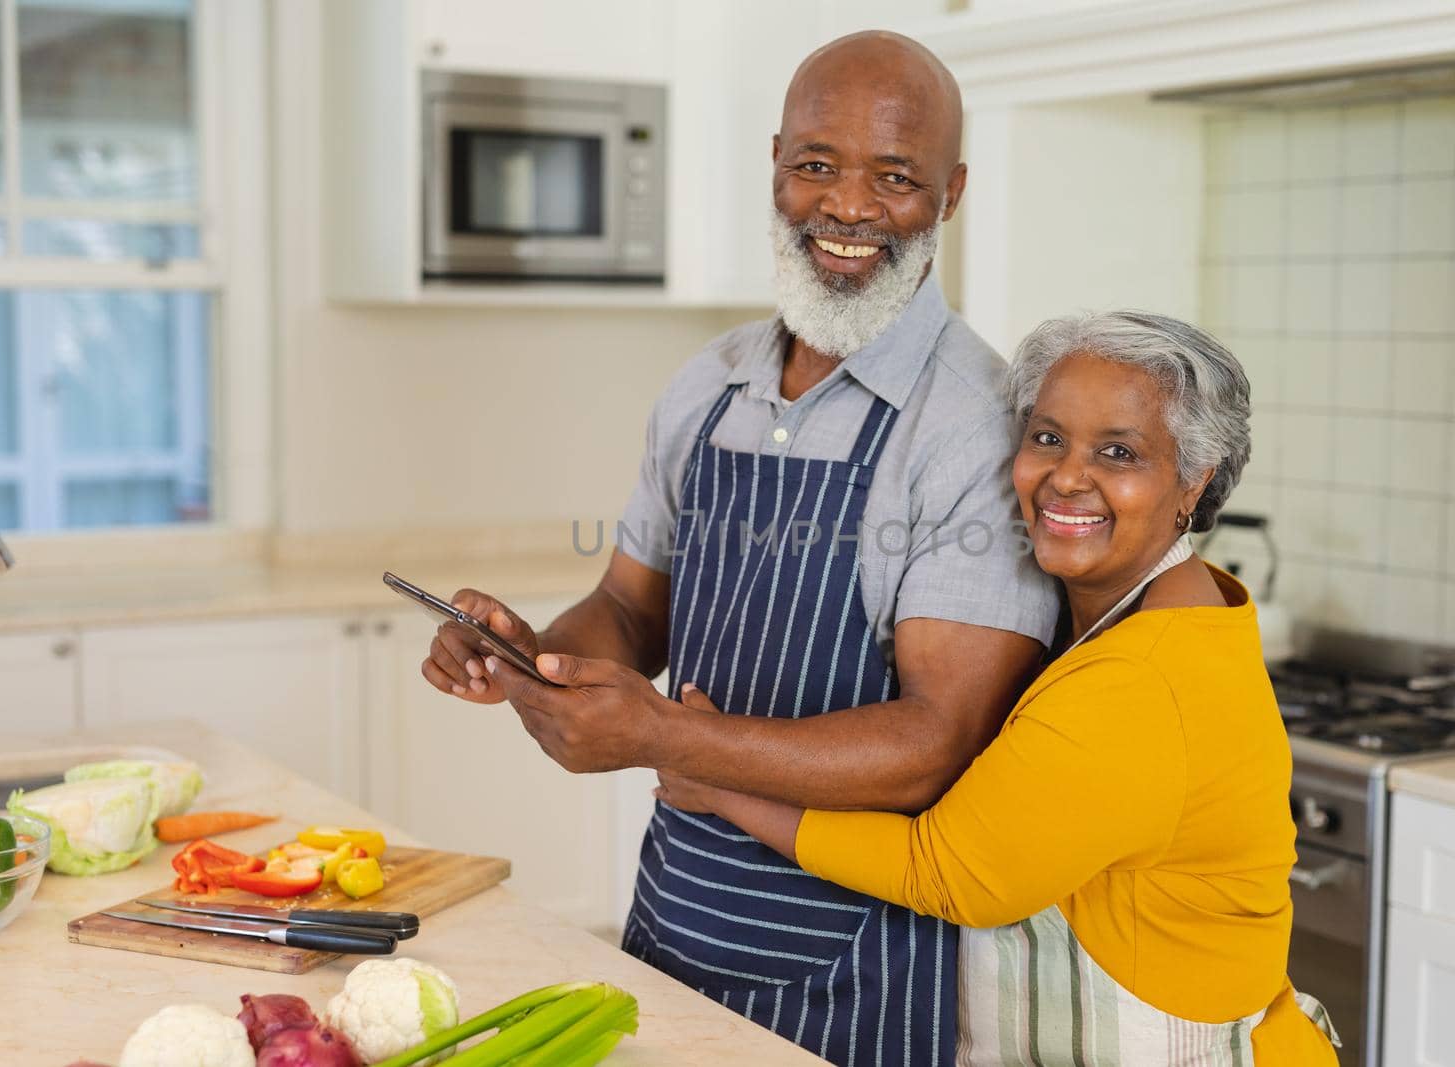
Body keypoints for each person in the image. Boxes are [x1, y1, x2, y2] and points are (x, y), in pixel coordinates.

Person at [421, 30, 1059, 1067]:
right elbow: (631, 610)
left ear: (950, 194)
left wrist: (666, 740)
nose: (846, 208)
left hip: (859, 958)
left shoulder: (974, 423)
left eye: (893, 178)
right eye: (816, 165)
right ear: (775, 163)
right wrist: (534, 655)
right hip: (677, 912)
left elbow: (937, 740)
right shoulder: (707, 383)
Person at [656, 312, 1342, 1065]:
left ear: (1195, 480)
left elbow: (950, 871)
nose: (1067, 475)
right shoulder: (1166, 604)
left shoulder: (1140, 679)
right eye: (1047, 437)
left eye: (1119, 452)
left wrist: (718, 783)